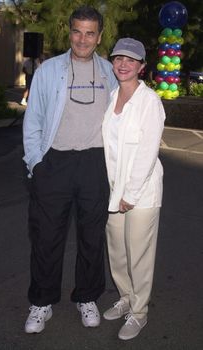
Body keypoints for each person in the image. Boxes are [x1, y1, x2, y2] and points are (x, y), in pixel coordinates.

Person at [22, 5, 117, 334]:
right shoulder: (49, 70)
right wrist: (37, 162)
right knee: (46, 237)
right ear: (69, 32)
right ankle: (41, 302)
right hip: (56, 163)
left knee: (92, 237)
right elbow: (32, 119)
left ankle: (87, 296)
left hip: (94, 163)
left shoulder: (109, 72)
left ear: (99, 37)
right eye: (77, 31)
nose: (82, 39)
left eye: (90, 33)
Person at [102, 38, 165, 340]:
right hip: (114, 190)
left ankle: (139, 312)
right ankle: (126, 296)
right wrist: (115, 190)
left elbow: (147, 152)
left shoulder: (149, 101)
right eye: (118, 58)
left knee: (137, 253)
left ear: (142, 66)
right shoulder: (112, 95)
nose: (123, 64)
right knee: (117, 250)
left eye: (131, 60)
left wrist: (130, 194)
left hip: (141, 192)